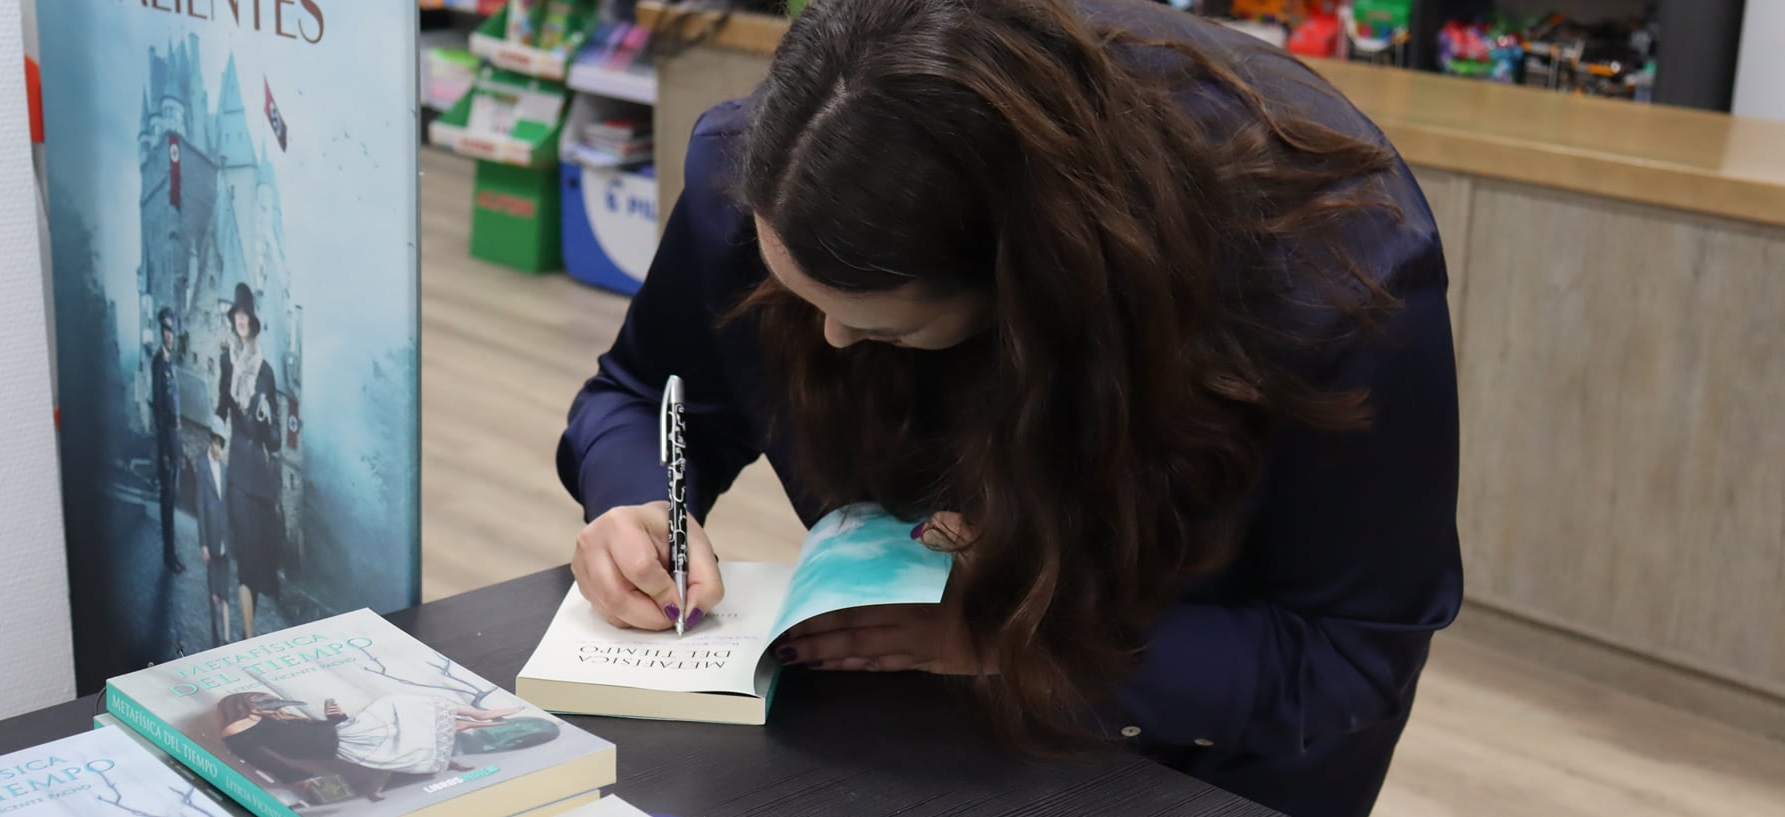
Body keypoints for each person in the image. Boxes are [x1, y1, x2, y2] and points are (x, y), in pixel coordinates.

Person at [555, 1, 1461, 816]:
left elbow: (1348, 653)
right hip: (915, 709)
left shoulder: (1340, 287)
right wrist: (634, 506)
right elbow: (643, 394)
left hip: (1216, 738)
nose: (824, 338)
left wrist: (1035, 638)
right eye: (797, 295)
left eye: (879, 327)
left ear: (1025, 297)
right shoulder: (774, 175)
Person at [216, 693, 537, 801]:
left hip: (348, 731)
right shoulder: (237, 729)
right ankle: (478, 721)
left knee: (402, 707)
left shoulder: (278, 717)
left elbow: (319, 730)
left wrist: (335, 715)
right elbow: (260, 759)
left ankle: (481, 715)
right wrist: (293, 777)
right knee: (412, 726)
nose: (266, 705)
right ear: (243, 704)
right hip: (347, 745)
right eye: (257, 701)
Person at [217, 282, 283, 640]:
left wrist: (267, 416)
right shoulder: (229, 367)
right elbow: (218, 411)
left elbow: (274, 443)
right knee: (244, 559)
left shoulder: (267, 373)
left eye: (246, 315)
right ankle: (248, 637)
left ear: (253, 323)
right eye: (236, 315)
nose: (241, 320)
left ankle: (250, 633)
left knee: (257, 564)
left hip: (260, 480)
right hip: (237, 475)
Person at [150, 306, 185, 575]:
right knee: (166, 500)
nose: (170, 336)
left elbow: (176, 411)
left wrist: (179, 446)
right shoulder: (158, 364)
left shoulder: (171, 365)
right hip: (166, 440)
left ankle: (172, 555)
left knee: (173, 499)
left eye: (172, 331)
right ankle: (166, 554)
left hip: (175, 439)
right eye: (166, 331)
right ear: (161, 333)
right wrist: (164, 450)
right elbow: (160, 411)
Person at [195, 416, 233, 647]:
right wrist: (203, 543)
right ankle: (215, 634)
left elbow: (225, 502)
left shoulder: (225, 470)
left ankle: (227, 638)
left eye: (222, 445)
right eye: (216, 444)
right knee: (214, 594)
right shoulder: (202, 465)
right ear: (211, 442)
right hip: (210, 536)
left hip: (224, 537)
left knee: (225, 591)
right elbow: (200, 504)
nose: (218, 449)